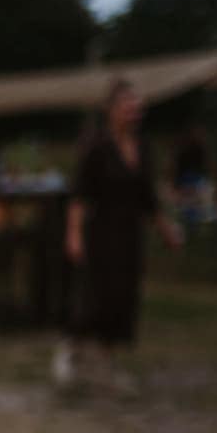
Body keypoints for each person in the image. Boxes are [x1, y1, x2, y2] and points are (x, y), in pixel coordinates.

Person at [61, 79, 181, 390]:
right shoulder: (97, 146)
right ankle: (70, 350)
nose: (134, 113)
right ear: (112, 110)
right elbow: (79, 195)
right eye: (128, 107)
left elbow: (148, 198)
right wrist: (73, 234)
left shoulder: (142, 147)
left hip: (129, 233)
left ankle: (106, 362)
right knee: (96, 294)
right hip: (101, 231)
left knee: (122, 298)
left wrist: (166, 229)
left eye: (138, 108)